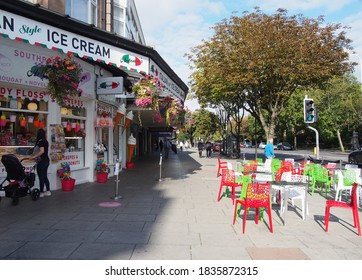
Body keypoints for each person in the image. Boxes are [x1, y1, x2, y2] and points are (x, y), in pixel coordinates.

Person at [30, 128, 50, 197]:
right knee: (45, 176)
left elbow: (42, 151)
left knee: (41, 177)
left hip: (41, 161)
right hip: (46, 161)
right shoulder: (46, 141)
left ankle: (41, 192)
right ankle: (48, 190)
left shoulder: (40, 141)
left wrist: (34, 156)